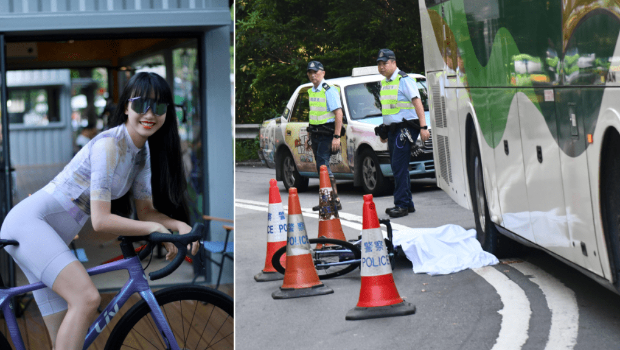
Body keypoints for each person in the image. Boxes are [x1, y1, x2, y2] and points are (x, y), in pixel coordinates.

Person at [0, 72, 199, 350]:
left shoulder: (141, 152)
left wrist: (178, 226)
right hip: (29, 224)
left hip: (49, 235)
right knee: (86, 299)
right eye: (142, 104)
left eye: (160, 106)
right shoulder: (109, 145)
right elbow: (101, 221)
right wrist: (154, 229)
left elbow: (146, 212)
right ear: (127, 107)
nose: (150, 114)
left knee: (68, 339)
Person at [376, 49, 430, 218]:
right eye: (379, 64)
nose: (381, 67)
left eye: (384, 63)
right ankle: (408, 203)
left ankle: (401, 205)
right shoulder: (385, 82)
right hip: (393, 130)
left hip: (405, 129)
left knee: (399, 167)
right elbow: (389, 109)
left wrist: (423, 127)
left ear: (393, 62)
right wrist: (384, 129)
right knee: (397, 166)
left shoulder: (404, 80)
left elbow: (417, 102)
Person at [303, 60, 344, 210]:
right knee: (321, 166)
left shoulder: (329, 90)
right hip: (315, 134)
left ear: (323, 73)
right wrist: (309, 135)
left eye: (316, 72)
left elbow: (338, 113)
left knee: (323, 166)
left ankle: (333, 200)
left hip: (327, 133)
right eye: (310, 72)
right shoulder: (312, 91)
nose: (313, 75)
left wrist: (337, 137)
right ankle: (329, 200)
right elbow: (314, 114)